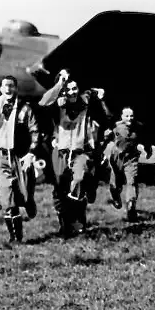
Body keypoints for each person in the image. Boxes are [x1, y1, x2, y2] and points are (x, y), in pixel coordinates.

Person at [38, 69, 111, 237]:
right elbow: (43, 103)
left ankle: (79, 221)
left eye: (74, 88)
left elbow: (106, 116)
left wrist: (101, 98)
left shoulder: (86, 102)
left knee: (79, 182)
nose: (72, 92)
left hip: (81, 152)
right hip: (60, 152)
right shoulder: (58, 105)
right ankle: (65, 224)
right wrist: (59, 84)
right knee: (60, 189)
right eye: (68, 89)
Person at [0, 75, 43, 244]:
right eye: (5, 86)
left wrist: (31, 152)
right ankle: (15, 237)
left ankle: (29, 200)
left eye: (11, 86)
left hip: (19, 156)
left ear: (16, 88)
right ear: (1, 88)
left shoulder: (25, 109)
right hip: (0, 156)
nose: (8, 89)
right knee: (7, 195)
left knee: (23, 194)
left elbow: (35, 131)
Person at [104, 106, 144, 221]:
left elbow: (144, 140)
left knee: (132, 181)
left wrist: (144, 146)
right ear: (122, 117)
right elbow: (106, 138)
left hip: (131, 158)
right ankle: (116, 197)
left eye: (131, 116)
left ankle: (131, 205)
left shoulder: (138, 127)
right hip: (116, 158)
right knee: (114, 184)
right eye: (127, 116)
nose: (129, 118)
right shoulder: (116, 126)